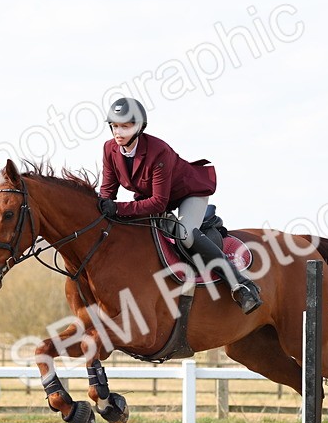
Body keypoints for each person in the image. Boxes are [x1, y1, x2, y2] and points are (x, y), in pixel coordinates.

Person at [96, 97, 262, 314]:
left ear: (139, 127)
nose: (118, 132)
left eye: (125, 126)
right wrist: (101, 210)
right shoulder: (110, 149)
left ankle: (240, 284)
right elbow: (108, 191)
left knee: (186, 235)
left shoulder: (158, 151)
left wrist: (118, 208)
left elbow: (158, 203)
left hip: (188, 192)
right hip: (152, 198)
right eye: (115, 126)